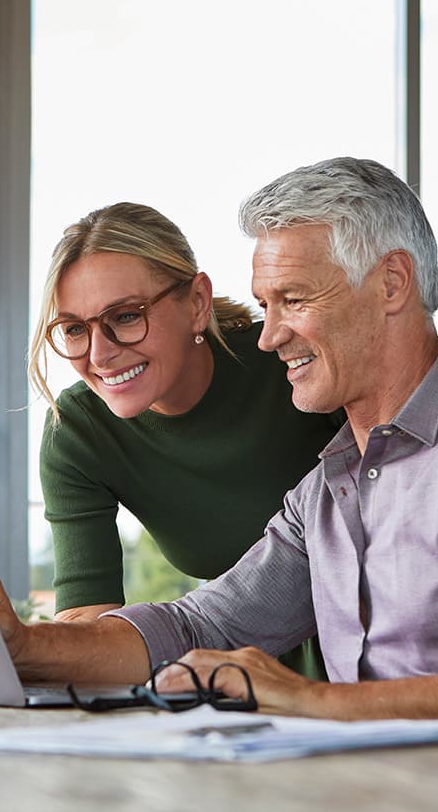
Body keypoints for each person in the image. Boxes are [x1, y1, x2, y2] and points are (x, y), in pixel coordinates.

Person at [0, 157, 438, 754]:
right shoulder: (330, 487)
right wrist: (22, 645)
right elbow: (198, 626)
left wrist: (313, 703)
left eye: (294, 299)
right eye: (266, 305)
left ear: (392, 283)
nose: (267, 335)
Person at [29, 201, 339, 678]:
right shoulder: (78, 432)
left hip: (366, 655)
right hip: (230, 672)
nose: (100, 353)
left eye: (127, 316)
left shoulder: (293, 366)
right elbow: (85, 613)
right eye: (74, 329)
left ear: (196, 303)